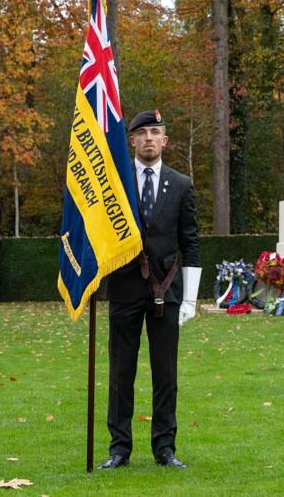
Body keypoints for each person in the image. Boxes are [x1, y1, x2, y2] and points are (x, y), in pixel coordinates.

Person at [99, 109, 201, 471]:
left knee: (165, 374)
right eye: (141, 133)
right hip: (124, 289)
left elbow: (190, 242)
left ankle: (164, 448)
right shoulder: (115, 184)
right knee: (120, 373)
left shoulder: (182, 184)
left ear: (165, 140)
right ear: (131, 140)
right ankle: (119, 449)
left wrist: (189, 298)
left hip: (166, 293)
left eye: (155, 132)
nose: (148, 139)